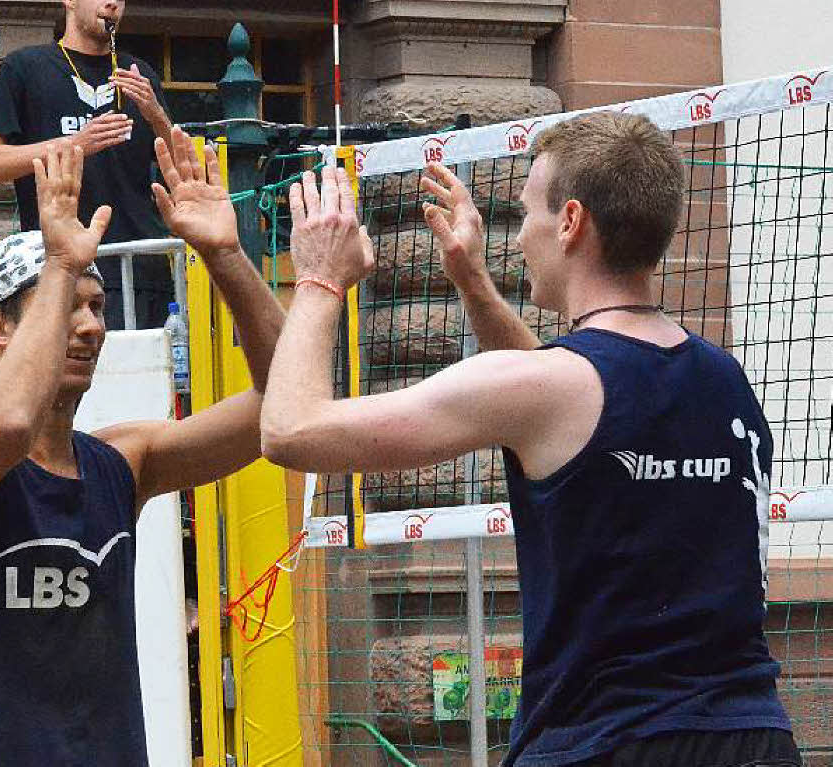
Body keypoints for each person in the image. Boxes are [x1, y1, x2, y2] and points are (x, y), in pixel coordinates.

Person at [260, 112, 802, 767]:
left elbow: (288, 430)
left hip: (603, 744)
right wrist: (470, 278)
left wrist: (319, 279)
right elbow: (574, 402)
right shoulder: (725, 381)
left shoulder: (547, 388)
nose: (518, 240)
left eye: (524, 216)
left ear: (570, 221)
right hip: (754, 741)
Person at [0, 128, 284, 765]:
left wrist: (225, 254)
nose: (91, 326)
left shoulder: (120, 463)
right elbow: (9, 427)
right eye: (67, 306)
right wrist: (63, 262)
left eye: (97, 306)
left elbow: (282, 406)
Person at [0, 0, 175, 330]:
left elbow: (182, 174)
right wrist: (73, 145)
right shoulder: (24, 67)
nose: (112, 4)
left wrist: (157, 116)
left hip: (140, 272)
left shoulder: (140, 74)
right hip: (59, 270)